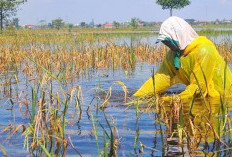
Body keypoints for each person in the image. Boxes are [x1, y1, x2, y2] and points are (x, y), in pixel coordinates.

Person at [134, 16, 232, 100]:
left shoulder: (204, 51)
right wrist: (139, 96)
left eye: (168, 41)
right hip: (200, 97)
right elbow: (161, 77)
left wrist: (171, 99)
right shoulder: (173, 55)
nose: (166, 44)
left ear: (180, 36)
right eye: (164, 41)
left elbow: (199, 87)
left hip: (222, 97)